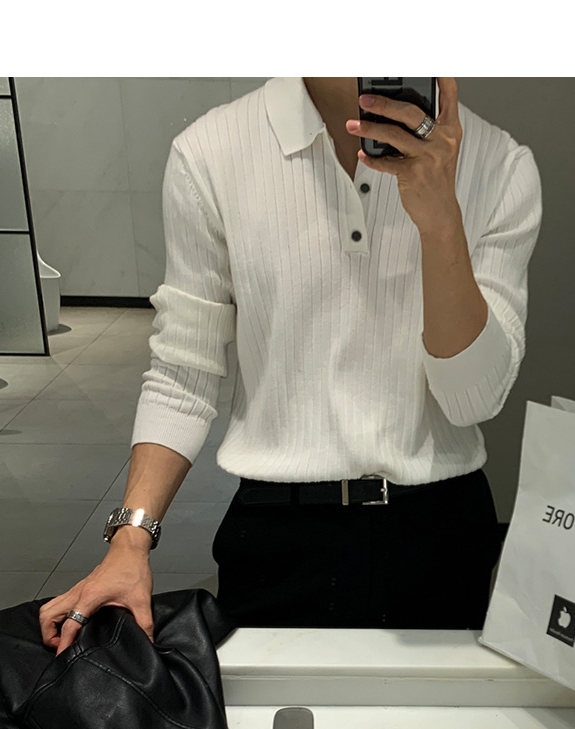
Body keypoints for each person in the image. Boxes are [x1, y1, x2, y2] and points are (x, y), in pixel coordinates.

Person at [39, 77, 542, 654]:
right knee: (268, 715)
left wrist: (441, 222)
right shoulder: (212, 151)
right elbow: (183, 372)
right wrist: (129, 541)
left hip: (439, 532)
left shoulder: (500, 165)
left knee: (436, 717)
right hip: (278, 531)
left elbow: (472, 399)